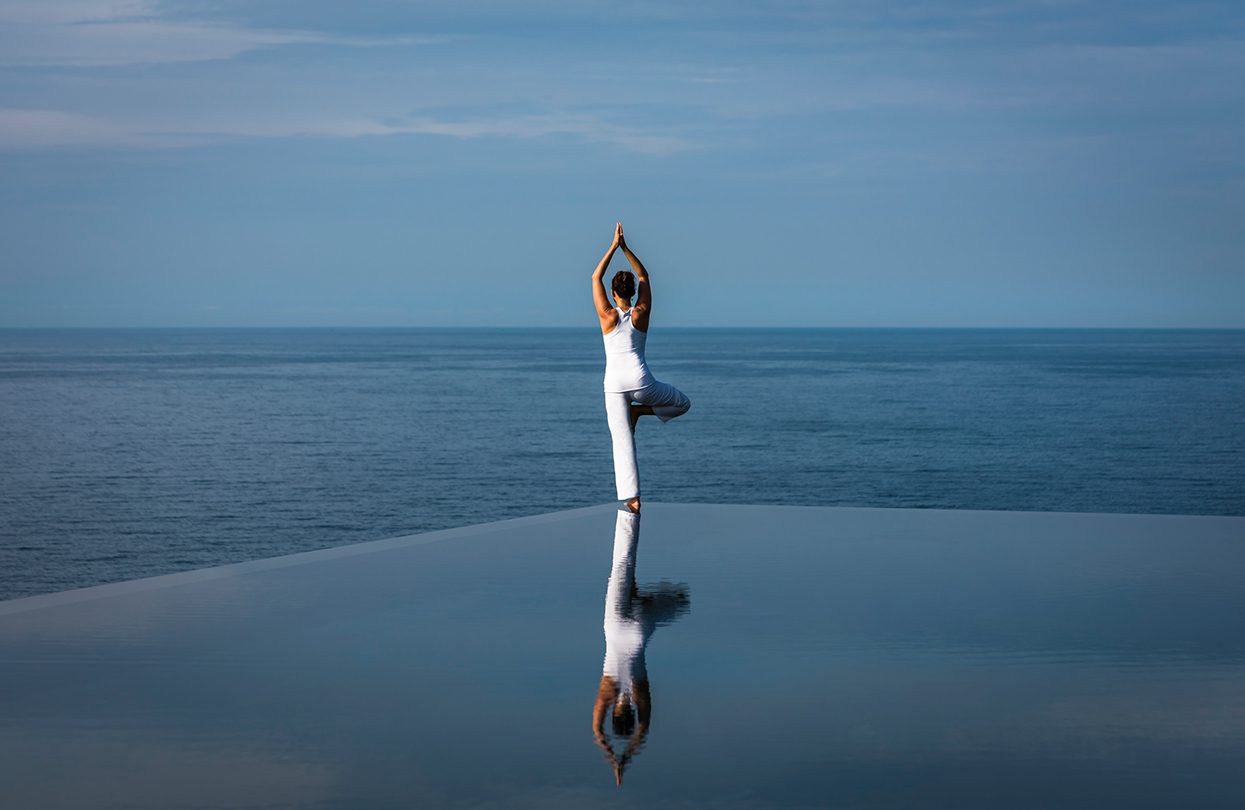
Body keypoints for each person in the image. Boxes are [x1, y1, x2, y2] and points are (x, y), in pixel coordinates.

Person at [591, 223, 691, 513]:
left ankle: (632, 498)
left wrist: (612, 247)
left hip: (613, 385)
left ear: (612, 292)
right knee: (682, 403)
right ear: (633, 292)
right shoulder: (640, 313)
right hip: (640, 382)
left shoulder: (607, 315)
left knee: (622, 442)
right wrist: (626, 248)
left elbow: (595, 275)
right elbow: (644, 274)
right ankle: (641, 410)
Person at [592, 507, 689, 785]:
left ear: (632, 714)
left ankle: (665, 599)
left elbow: (644, 729)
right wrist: (611, 755)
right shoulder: (606, 695)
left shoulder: (639, 695)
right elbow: (597, 731)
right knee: (622, 564)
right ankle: (630, 513)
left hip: (639, 631)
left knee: (678, 602)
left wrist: (627, 756)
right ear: (613, 714)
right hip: (615, 628)